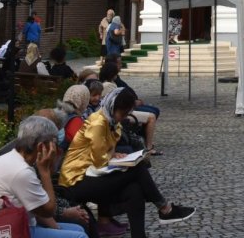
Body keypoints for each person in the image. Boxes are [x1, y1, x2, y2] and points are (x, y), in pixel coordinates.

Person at [59, 88, 195, 238]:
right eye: (122, 114)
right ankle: (165, 208)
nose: (122, 117)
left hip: (90, 174)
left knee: (134, 190)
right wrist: (118, 159)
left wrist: (115, 155)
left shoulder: (110, 120)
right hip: (75, 180)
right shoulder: (98, 122)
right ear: (113, 107)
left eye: (126, 114)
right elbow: (99, 161)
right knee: (137, 168)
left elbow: (104, 151)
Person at [0, 116, 86, 238]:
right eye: (54, 144)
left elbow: (37, 206)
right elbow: (49, 211)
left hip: (10, 225)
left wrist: (57, 229)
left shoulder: (16, 161)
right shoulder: (21, 172)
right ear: (42, 146)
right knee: (80, 237)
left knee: (78, 229)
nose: (55, 150)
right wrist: (45, 171)